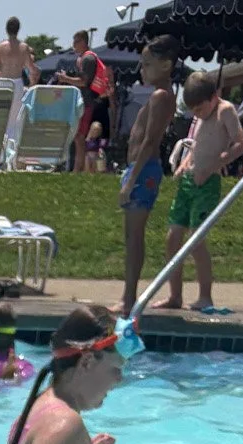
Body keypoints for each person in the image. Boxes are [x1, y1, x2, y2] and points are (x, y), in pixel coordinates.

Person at [2, 303, 141, 444]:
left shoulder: (41, 404)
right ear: (86, 362)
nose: (119, 379)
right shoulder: (64, 424)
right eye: (115, 368)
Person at [162, 71, 243, 313]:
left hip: (207, 184)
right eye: (193, 111)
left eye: (199, 109)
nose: (197, 114)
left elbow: (240, 144)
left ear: (214, 97)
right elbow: (197, 144)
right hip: (189, 181)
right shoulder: (202, 115)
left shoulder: (225, 110)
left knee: (196, 240)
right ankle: (175, 295)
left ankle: (205, 297)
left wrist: (213, 166)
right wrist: (185, 163)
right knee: (172, 238)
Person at [118, 36, 180, 317]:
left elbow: (150, 142)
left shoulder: (160, 96)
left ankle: (128, 298)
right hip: (141, 170)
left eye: (147, 64)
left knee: (134, 236)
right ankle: (127, 296)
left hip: (143, 171)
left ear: (166, 64)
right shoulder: (162, 95)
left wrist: (131, 180)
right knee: (131, 235)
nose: (141, 70)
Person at [57, 30, 113, 172]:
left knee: (80, 137)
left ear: (83, 41)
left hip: (87, 102)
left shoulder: (88, 59)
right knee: (78, 137)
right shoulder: (83, 58)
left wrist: (66, 79)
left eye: (75, 41)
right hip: (86, 101)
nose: (73, 45)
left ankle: (77, 170)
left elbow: (84, 82)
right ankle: (77, 169)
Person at [0, 16, 40, 87]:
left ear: (6, 29)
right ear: (18, 29)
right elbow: (32, 70)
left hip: (2, 83)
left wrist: (4, 75)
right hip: (17, 84)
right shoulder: (24, 47)